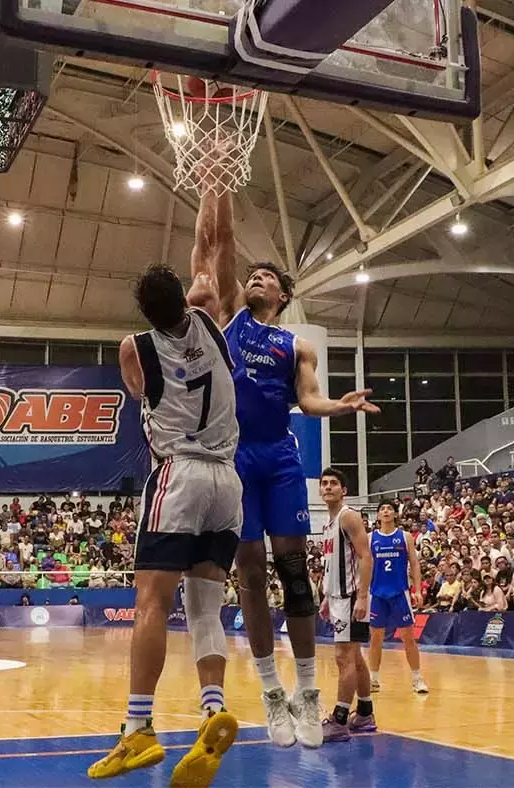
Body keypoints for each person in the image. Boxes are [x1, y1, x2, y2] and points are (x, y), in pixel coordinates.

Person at [196, 188, 376, 748]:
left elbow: (309, 400)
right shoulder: (227, 319)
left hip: (277, 456)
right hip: (235, 456)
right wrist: (214, 184)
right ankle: (272, 694)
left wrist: (340, 407)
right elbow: (218, 244)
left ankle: (307, 692)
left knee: (293, 572)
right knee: (249, 572)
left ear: (283, 293)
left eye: (267, 276)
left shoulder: (295, 344)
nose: (256, 278)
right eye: (252, 274)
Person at [88, 264, 241, 785]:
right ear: (185, 298)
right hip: (228, 482)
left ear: (144, 312)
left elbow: (138, 390)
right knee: (205, 609)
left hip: (179, 474)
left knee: (151, 602)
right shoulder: (211, 319)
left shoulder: (134, 348)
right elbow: (207, 267)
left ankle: (137, 728)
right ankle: (211, 711)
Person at [316, 468, 375, 743]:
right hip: (338, 597)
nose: (328, 487)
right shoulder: (328, 525)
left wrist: (362, 596)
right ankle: (364, 713)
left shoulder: (348, 516)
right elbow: (332, 565)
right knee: (356, 656)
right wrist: (327, 597)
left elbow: (365, 557)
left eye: (334, 483)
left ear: (344, 490)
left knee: (344, 657)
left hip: (351, 596)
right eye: (324, 483)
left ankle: (339, 720)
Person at [365, 501, 427, 694]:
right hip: (376, 593)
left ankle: (417, 679)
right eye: (382, 509)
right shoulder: (370, 538)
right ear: (378, 515)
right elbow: (365, 567)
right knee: (375, 638)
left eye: (389, 508)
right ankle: (373, 679)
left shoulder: (405, 536)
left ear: (394, 514)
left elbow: (415, 564)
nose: (385, 511)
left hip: (400, 592)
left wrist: (417, 590)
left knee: (408, 637)